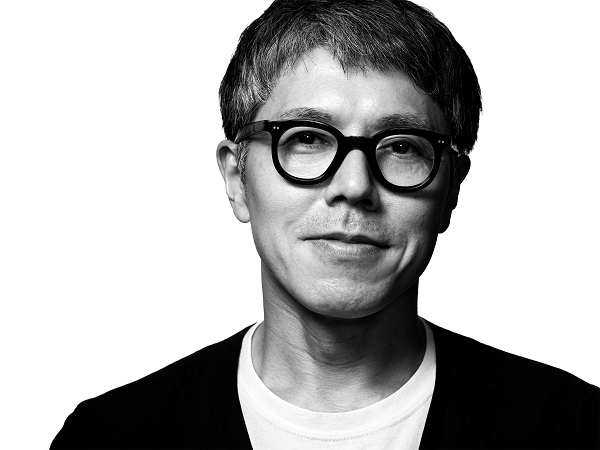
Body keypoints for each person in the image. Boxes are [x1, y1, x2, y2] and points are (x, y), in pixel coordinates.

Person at [50, 0, 599, 448]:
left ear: (452, 188)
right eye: (308, 138)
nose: (355, 186)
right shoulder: (110, 439)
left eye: (401, 146)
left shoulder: (574, 430)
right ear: (238, 179)